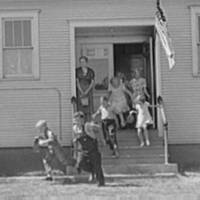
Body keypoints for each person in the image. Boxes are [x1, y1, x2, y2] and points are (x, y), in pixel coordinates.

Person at [73, 121, 105, 186]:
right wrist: (76, 151)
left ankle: (100, 182)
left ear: (81, 119)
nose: (76, 123)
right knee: (81, 163)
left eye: (77, 121)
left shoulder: (87, 125)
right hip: (83, 149)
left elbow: (99, 128)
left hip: (93, 148)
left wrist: (102, 139)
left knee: (97, 165)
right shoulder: (75, 128)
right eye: (75, 121)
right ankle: (92, 171)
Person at [76, 56, 95, 121]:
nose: (82, 63)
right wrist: (81, 91)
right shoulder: (77, 71)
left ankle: (88, 123)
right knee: (81, 109)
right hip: (80, 90)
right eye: (81, 62)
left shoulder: (91, 71)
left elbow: (92, 82)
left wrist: (87, 91)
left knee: (88, 109)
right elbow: (77, 82)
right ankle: (81, 125)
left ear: (86, 62)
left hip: (88, 90)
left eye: (83, 61)